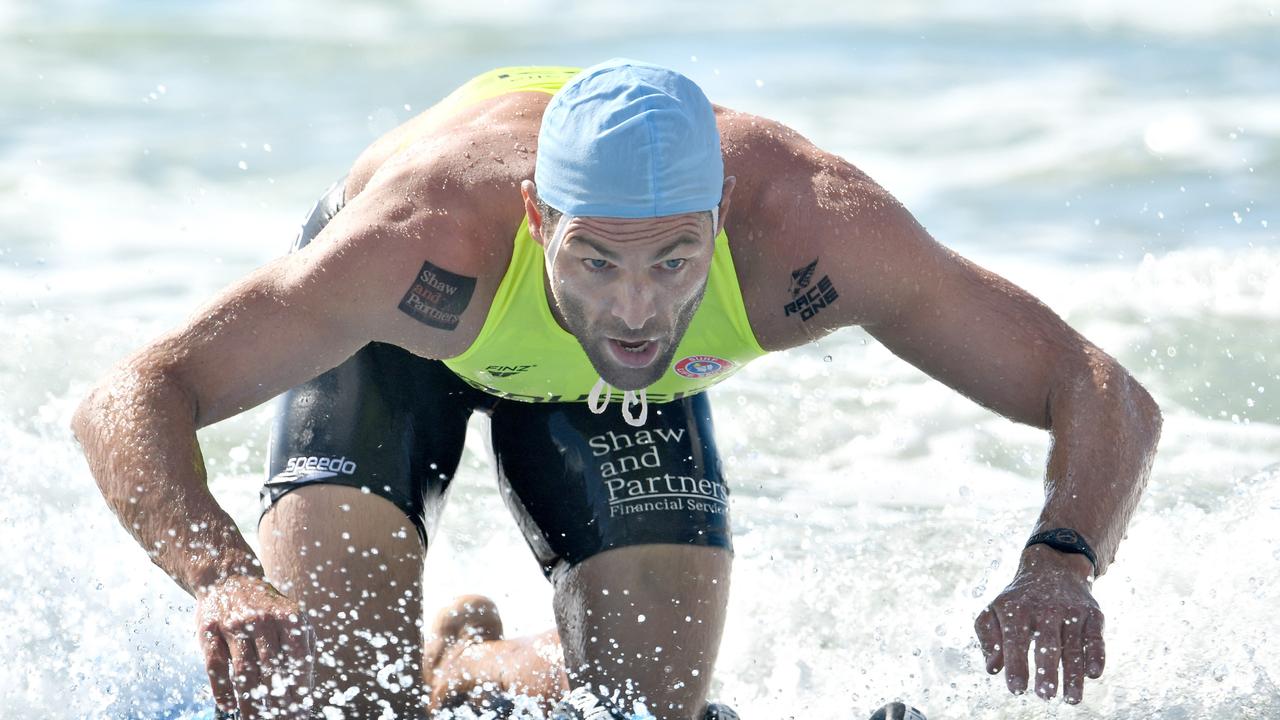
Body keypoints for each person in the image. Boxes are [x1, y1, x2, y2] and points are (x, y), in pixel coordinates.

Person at [72, 59, 1162, 719]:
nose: (635, 313)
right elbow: (131, 394)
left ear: (721, 219)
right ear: (540, 221)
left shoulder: (814, 235)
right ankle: (418, 663)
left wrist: (1058, 562)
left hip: (603, 393)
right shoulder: (415, 248)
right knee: (329, 707)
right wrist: (220, 577)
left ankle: (465, 662)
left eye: (673, 263)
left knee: (640, 714)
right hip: (405, 345)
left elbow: (1096, 386)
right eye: (595, 261)